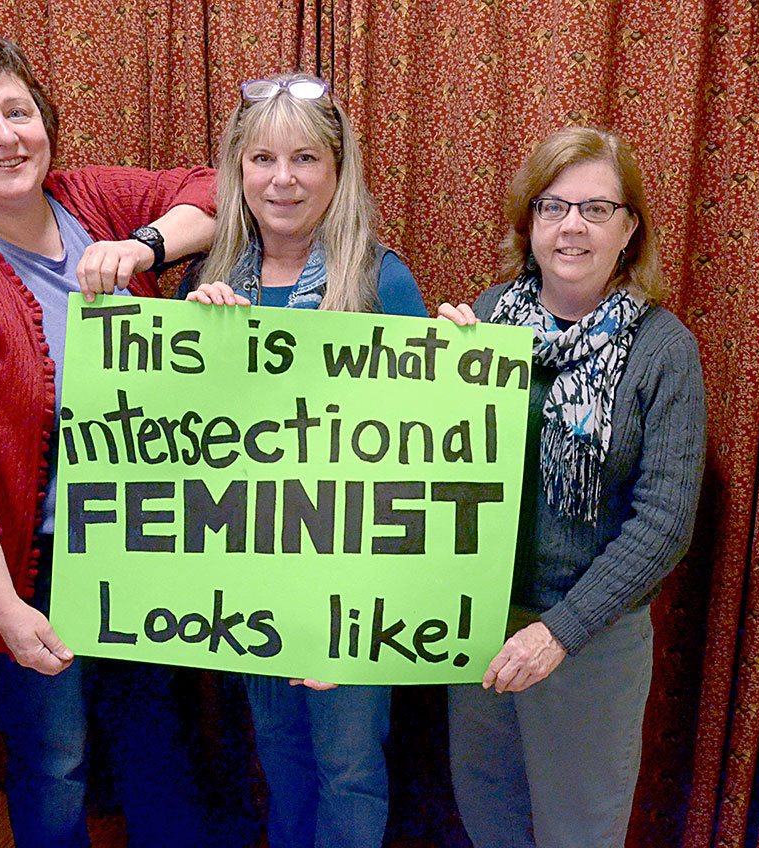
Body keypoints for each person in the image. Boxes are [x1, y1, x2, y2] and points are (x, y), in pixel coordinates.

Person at [0, 34, 214, 847]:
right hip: (34, 563)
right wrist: (9, 613)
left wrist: (145, 246)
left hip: (140, 541)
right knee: (56, 760)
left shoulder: (88, 199)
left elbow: (212, 186)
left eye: (18, 111)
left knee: (155, 738)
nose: (4, 136)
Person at [438, 127, 706, 847]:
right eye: (554, 207)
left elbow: (664, 524)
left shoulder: (664, 350)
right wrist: (433, 379)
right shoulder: (488, 320)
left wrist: (559, 633)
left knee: (578, 831)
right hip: (479, 626)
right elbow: (434, 473)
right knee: (486, 812)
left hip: (591, 639)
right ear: (530, 223)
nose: (572, 227)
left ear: (630, 229)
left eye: (595, 209)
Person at [187, 73, 427, 847]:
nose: (282, 179)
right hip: (253, 575)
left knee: (349, 767)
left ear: (336, 169)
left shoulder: (381, 282)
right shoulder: (214, 283)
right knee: (279, 759)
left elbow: (422, 456)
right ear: (238, 171)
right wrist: (198, 343)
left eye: (304, 159)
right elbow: (190, 444)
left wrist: (357, 618)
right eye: (262, 159)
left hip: (352, 584)